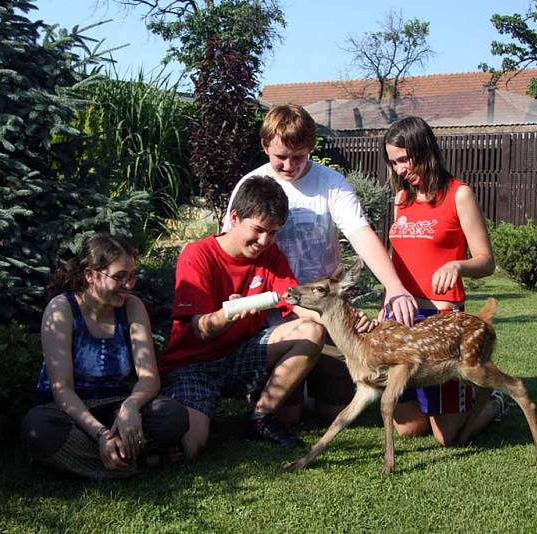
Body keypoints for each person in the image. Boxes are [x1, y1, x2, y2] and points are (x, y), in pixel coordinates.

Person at [222, 104, 417, 419]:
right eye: (280, 156)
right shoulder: (252, 185)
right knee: (288, 418)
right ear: (265, 146)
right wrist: (233, 296)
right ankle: (273, 394)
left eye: (298, 157)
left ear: (311, 149)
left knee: (331, 412)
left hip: (327, 315)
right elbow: (231, 248)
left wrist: (394, 286)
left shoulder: (330, 183)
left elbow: (361, 233)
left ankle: (315, 388)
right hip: (275, 318)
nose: (289, 165)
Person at [160, 175, 326, 459]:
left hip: (240, 355)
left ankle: (260, 418)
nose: (265, 241)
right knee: (190, 445)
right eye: (259, 230)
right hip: (193, 365)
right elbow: (201, 329)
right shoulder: (198, 255)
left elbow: (296, 301)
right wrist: (229, 315)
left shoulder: (270, 255)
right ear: (234, 217)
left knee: (311, 331)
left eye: (273, 232)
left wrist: (344, 320)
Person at [21, 233, 189, 479]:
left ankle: (95, 461)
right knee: (38, 428)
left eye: (131, 276)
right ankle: (136, 459)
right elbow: (62, 391)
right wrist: (101, 434)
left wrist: (130, 407)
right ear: (90, 275)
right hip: (71, 413)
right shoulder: (62, 309)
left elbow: (149, 378)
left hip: (117, 407)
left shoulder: (132, 307)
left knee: (172, 415)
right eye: (120, 277)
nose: (129, 285)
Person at [383, 116, 505, 446]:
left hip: (441, 320)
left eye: (403, 160)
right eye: (393, 162)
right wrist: (388, 301)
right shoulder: (402, 201)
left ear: (424, 150)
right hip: (402, 320)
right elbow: (398, 261)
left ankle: (493, 401)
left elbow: (486, 261)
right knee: (409, 428)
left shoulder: (458, 194)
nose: (398, 170)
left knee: (447, 438)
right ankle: (432, 405)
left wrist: (458, 265)